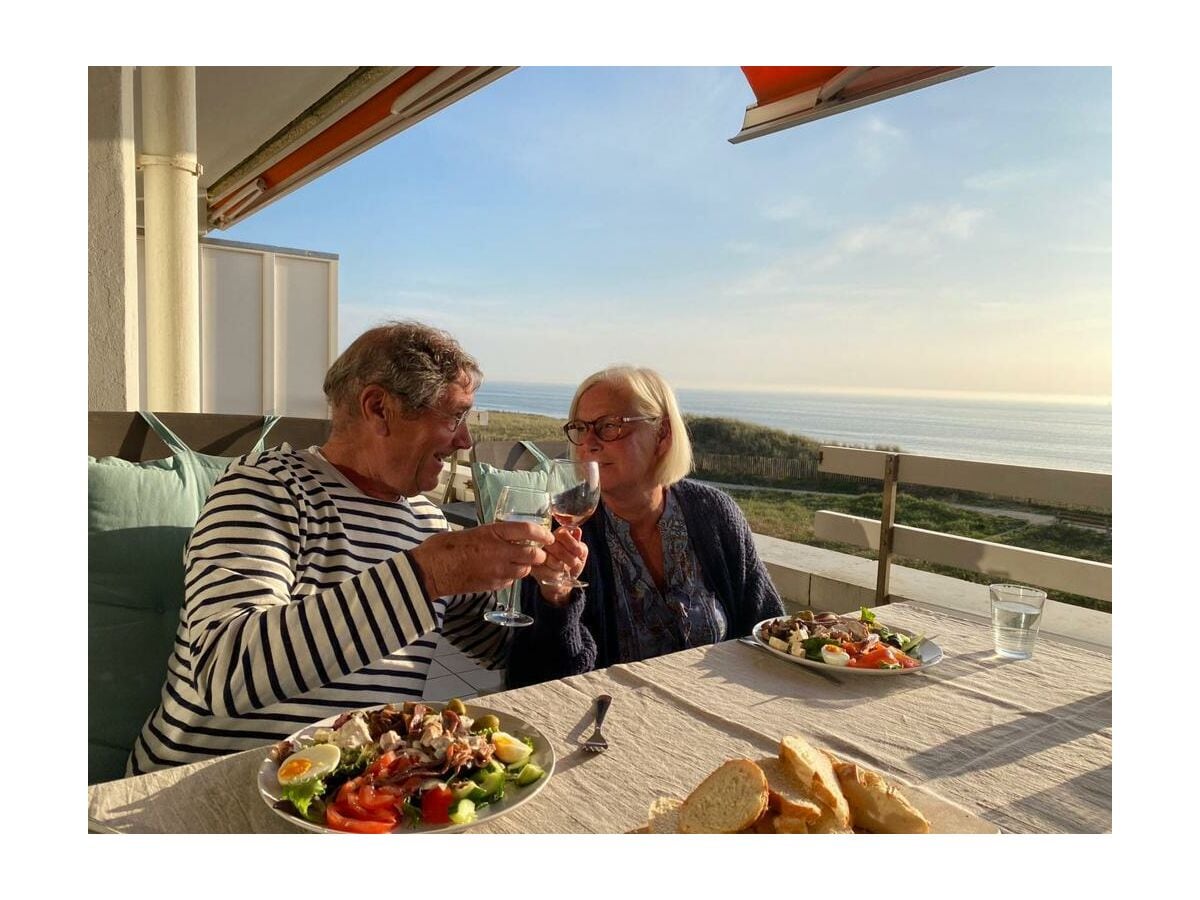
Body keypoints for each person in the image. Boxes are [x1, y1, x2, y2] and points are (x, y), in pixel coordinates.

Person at [129, 321, 553, 774]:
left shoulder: (428, 522)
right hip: (199, 789)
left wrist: (550, 593)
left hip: (351, 800)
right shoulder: (265, 488)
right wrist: (426, 575)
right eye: (454, 416)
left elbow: (499, 649)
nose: (465, 440)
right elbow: (225, 674)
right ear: (378, 408)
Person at [507, 366, 784, 688]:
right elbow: (534, 681)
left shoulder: (713, 514)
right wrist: (556, 600)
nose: (589, 444)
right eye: (581, 428)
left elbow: (770, 632)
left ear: (662, 434)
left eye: (610, 426)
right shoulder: (557, 528)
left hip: (720, 711)